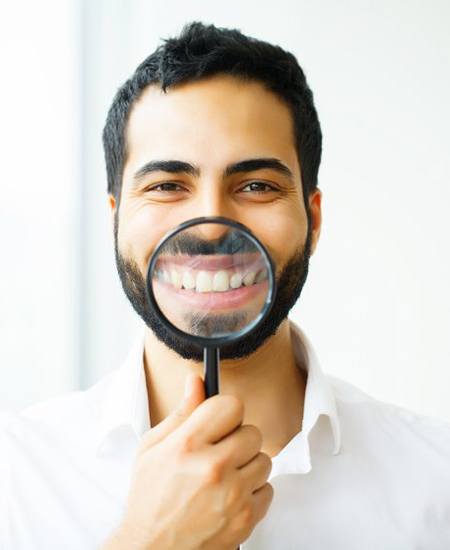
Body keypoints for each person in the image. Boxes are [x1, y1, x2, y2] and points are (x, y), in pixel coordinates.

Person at [1, 21, 449, 550]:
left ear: (314, 219)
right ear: (115, 219)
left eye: (256, 186)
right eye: (167, 186)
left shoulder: (435, 480)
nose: (212, 223)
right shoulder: (17, 479)